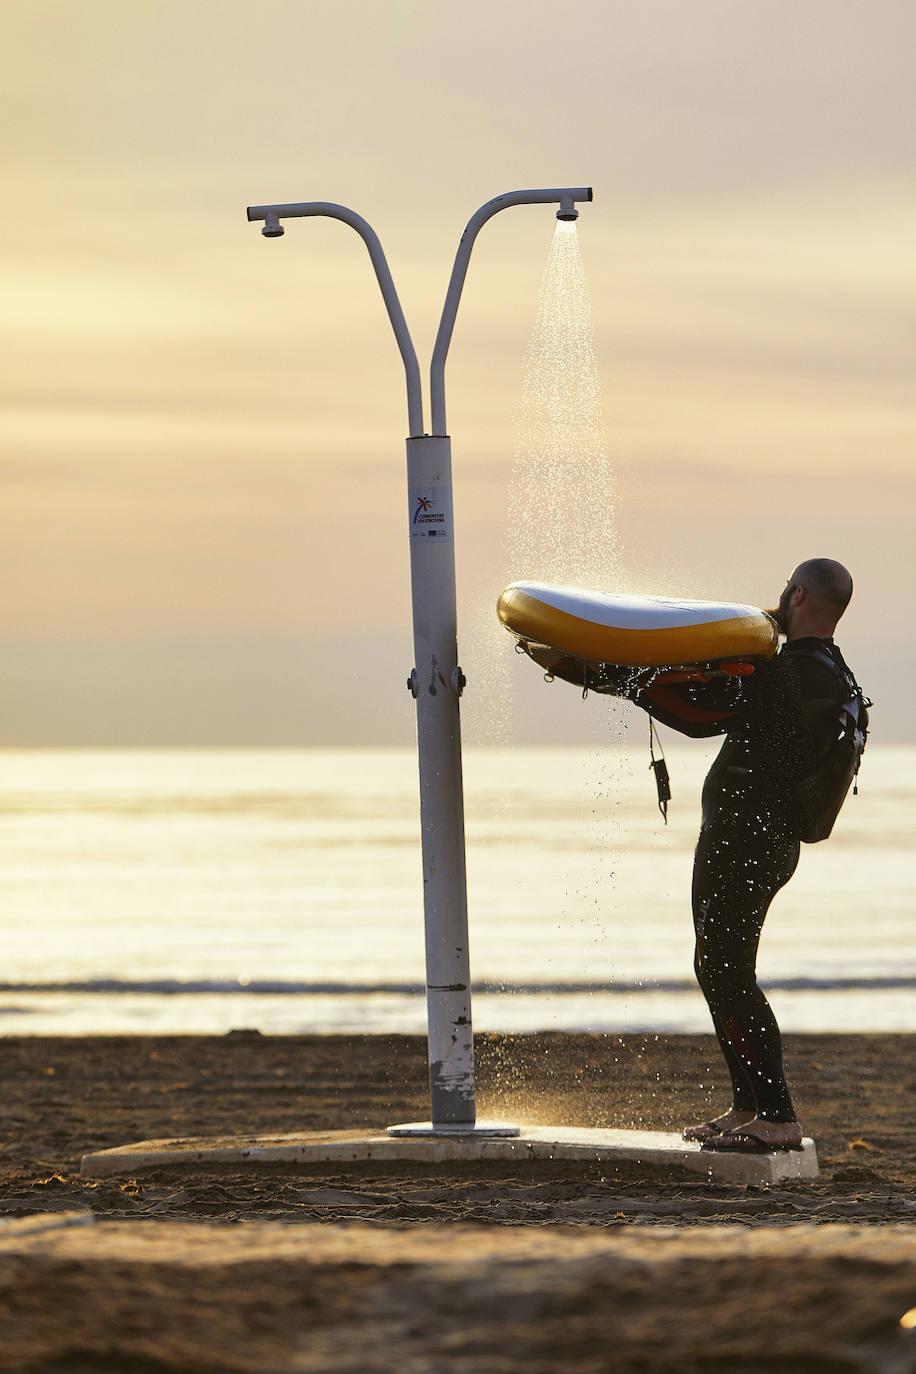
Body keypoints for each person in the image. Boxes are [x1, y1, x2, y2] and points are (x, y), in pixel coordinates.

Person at [679, 558, 857, 1152]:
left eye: (787, 585)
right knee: (717, 968)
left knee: (728, 973)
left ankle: (777, 1117)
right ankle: (748, 1105)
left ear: (798, 593)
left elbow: (703, 716)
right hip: (756, 840)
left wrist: (623, 681)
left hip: (747, 842)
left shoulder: (795, 673)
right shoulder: (829, 673)